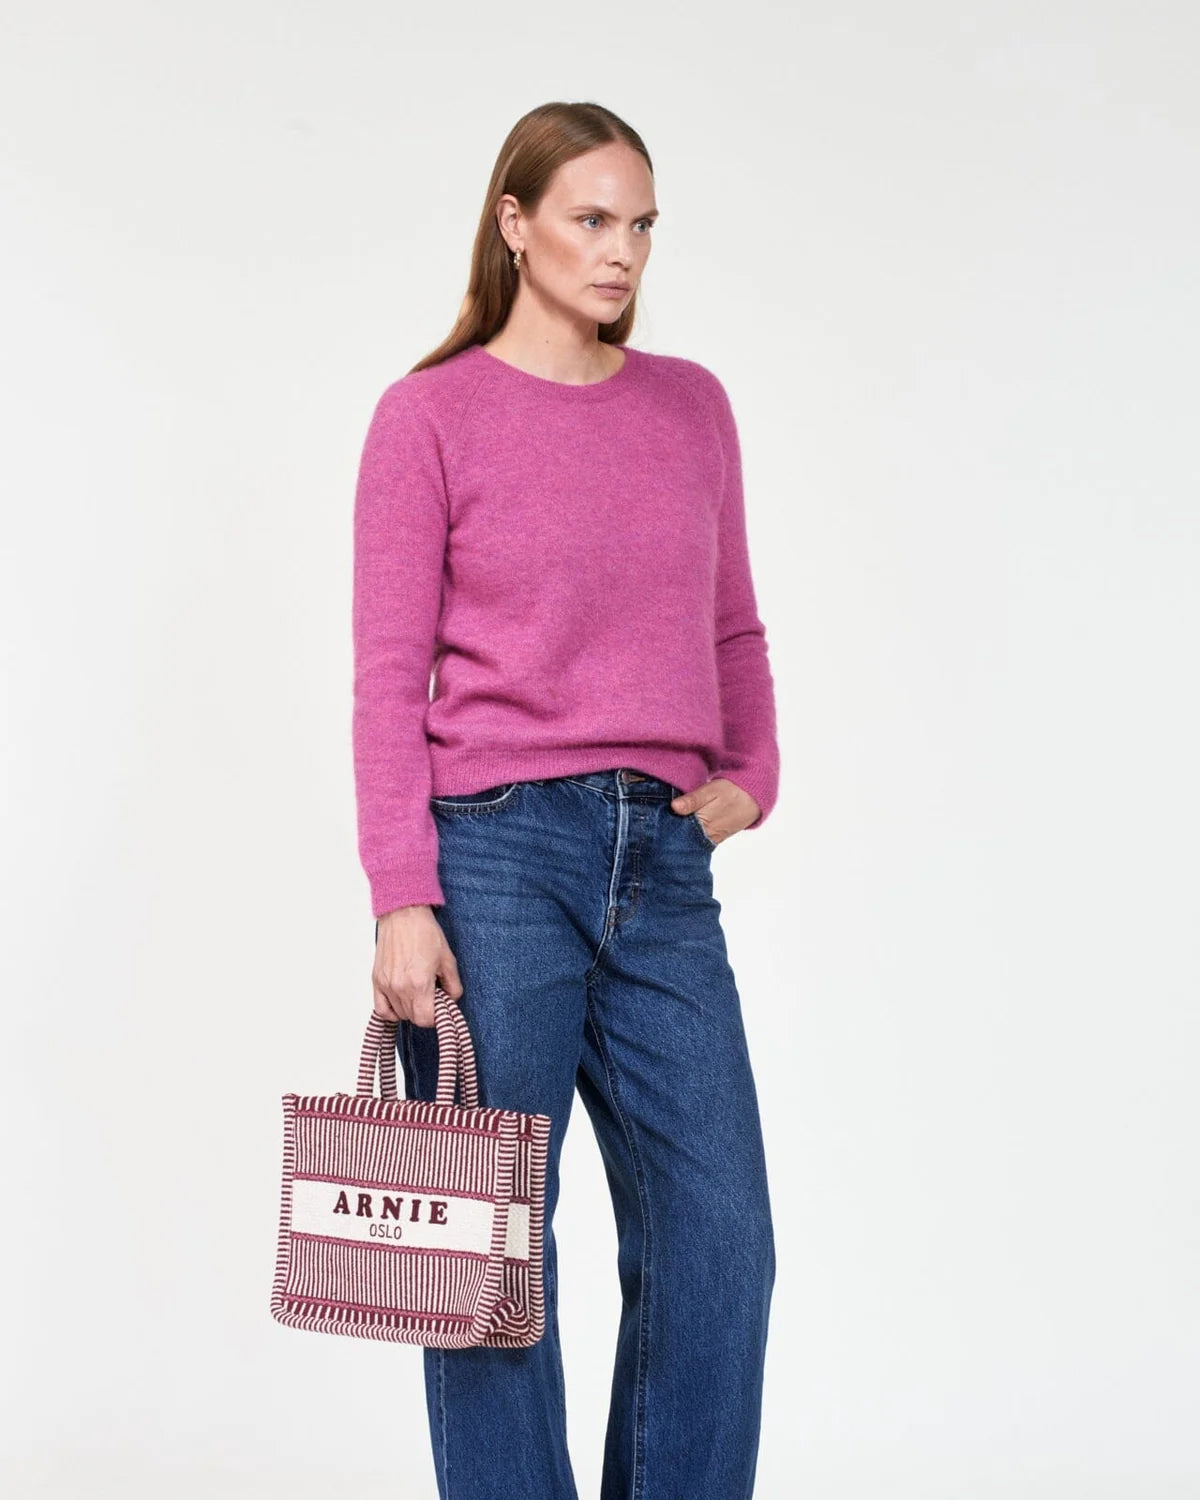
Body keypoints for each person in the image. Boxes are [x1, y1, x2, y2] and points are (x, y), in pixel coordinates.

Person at [352, 99, 780, 1500]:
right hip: (493, 865)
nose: (622, 251)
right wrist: (402, 896)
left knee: (722, 1239)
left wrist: (751, 774)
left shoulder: (689, 406)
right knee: (484, 1256)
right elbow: (385, 678)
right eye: (592, 219)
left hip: (663, 864)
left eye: (641, 224)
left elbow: (731, 627)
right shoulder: (428, 416)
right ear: (515, 223)